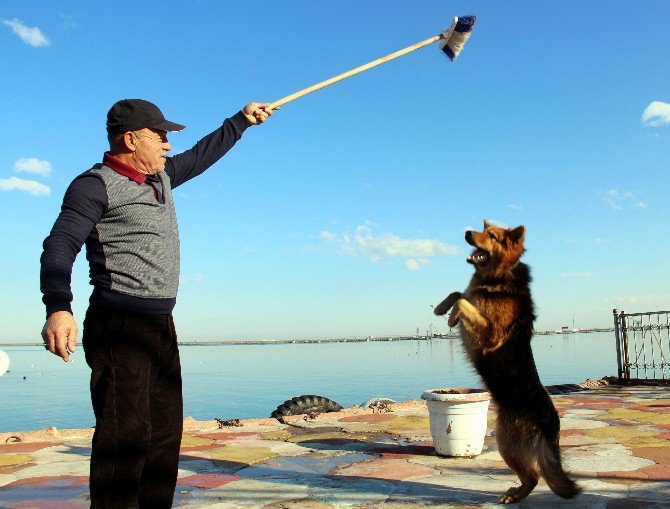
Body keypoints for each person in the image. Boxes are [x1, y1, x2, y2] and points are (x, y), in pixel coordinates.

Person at [39, 98, 275, 508]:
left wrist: (241, 121)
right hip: (119, 324)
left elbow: (202, 155)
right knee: (123, 436)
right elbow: (60, 245)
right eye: (159, 135)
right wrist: (59, 306)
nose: (167, 145)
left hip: (160, 324)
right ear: (131, 139)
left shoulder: (161, 178)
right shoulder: (94, 185)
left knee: (165, 433)